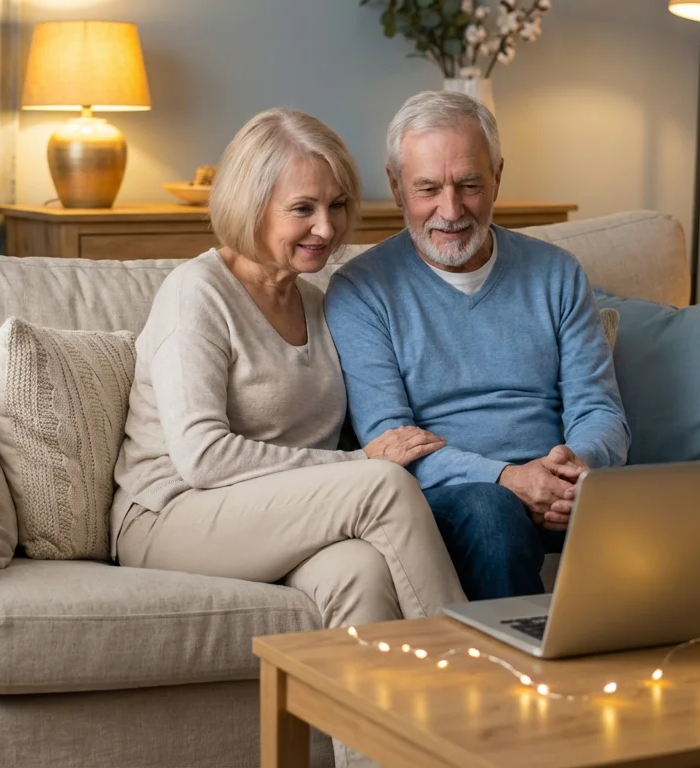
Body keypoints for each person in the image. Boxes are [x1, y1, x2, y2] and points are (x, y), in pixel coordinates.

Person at [111, 107, 467, 636]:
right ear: (250, 205)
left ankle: (370, 721)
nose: (326, 228)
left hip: (275, 518)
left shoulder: (319, 302)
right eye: (303, 208)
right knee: (381, 486)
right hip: (172, 515)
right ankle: (480, 679)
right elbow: (203, 458)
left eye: (337, 205)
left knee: (362, 574)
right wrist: (356, 463)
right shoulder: (197, 295)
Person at [324, 91, 631, 601]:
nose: (450, 210)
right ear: (397, 187)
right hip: (450, 496)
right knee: (492, 514)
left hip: (558, 483)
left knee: (678, 509)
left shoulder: (556, 273)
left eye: (469, 184)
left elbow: (599, 407)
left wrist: (574, 469)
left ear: (497, 177)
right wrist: (509, 478)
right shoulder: (361, 289)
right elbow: (389, 440)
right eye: (427, 189)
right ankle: (516, 678)